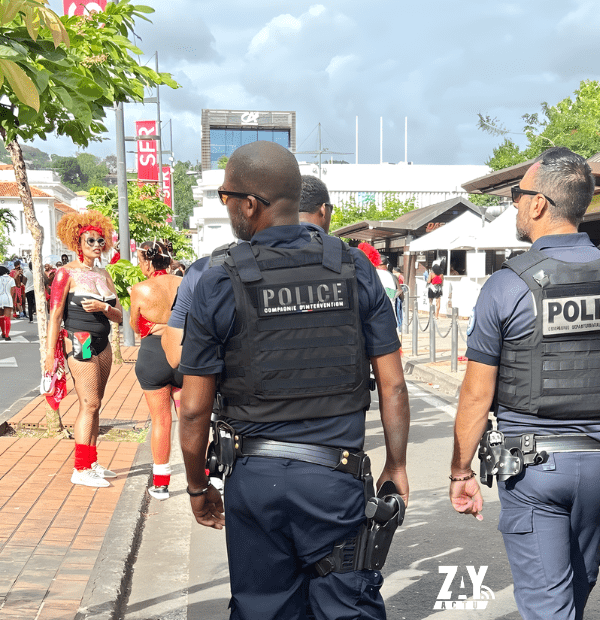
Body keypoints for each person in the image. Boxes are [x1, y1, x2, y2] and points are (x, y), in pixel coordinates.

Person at [177, 140, 410, 620]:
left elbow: (195, 407)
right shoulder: (353, 267)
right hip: (335, 479)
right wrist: (397, 463)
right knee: (348, 606)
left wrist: (199, 487)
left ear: (249, 204)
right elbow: (392, 383)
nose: (226, 209)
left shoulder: (218, 281)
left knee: (264, 609)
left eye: (225, 197)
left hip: (256, 482)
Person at [449, 147, 600, 619]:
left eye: (517, 195)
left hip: (533, 468)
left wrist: (461, 471)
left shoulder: (507, 285)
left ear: (538, 204)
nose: (515, 204)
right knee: (575, 591)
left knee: (549, 606)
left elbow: (477, 393)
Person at [44, 210, 123, 488]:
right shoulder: (66, 273)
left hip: (104, 342)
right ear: (78, 242)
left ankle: (92, 462)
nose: (97, 245)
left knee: (96, 404)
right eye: (91, 240)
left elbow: (120, 314)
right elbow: (55, 316)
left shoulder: (104, 273)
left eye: (101, 240)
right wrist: (48, 356)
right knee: (89, 403)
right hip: (81, 341)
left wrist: (105, 307)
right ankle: (80, 468)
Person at [130, 240, 183, 500]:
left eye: (140, 260)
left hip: (153, 356)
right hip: (183, 354)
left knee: (161, 421)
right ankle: (208, 476)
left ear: (149, 261)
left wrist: (156, 324)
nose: (140, 265)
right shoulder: (184, 283)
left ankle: (161, 483)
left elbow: (134, 325)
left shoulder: (140, 289)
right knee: (191, 420)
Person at [0, 266, 14, 341]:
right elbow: (13, 291)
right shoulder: (11, 279)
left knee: (1, 317)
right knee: (7, 317)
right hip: (7, 298)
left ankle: (3, 332)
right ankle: (7, 335)